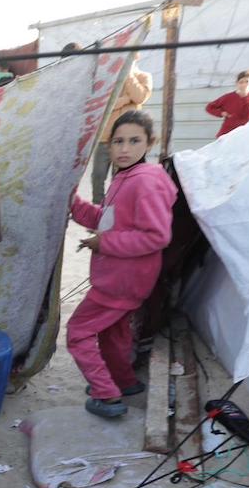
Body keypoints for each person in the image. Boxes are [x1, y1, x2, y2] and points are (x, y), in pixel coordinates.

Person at [67, 110, 176, 419]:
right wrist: (74, 204)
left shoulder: (146, 181)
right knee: (113, 333)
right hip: (124, 279)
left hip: (120, 281)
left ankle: (107, 395)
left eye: (134, 141)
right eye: (118, 141)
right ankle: (124, 382)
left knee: (78, 332)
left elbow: (156, 236)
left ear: (150, 143)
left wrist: (105, 243)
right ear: (109, 145)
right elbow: (106, 219)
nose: (124, 149)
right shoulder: (125, 177)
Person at [91, 57, 152, 204]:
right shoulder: (110, 79)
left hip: (127, 140)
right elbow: (104, 104)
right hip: (105, 137)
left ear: (135, 58)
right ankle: (98, 211)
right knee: (97, 176)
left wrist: (128, 73)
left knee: (120, 179)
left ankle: (116, 213)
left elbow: (139, 97)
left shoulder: (144, 77)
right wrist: (126, 100)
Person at [206, 69, 249, 137]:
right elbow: (209, 107)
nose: (244, 84)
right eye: (241, 82)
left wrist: (245, 96)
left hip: (243, 131)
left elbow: (247, 113)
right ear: (237, 83)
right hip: (227, 132)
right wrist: (221, 113)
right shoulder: (229, 97)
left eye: (247, 81)